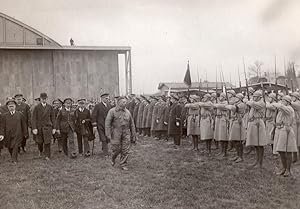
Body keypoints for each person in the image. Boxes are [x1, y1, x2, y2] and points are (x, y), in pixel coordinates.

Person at [105, 96, 136, 170]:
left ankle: (123, 164)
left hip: (126, 133)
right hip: (116, 132)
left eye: (125, 102)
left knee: (125, 149)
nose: (125, 103)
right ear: (118, 102)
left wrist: (133, 135)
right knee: (116, 149)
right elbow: (107, 123)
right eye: (123, 102)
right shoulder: (112, 111)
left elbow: (132, 124)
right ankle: (113, 159)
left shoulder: (128, 112)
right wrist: (108, 134)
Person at [273, 95, 298, 177]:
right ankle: (283, 168)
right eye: (281, 100)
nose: (282, 102)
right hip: (280, 129)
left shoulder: (289, 108)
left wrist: (279, 104)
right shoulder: (282, 109)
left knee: (288, 151)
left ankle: (288, 169)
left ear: (287, 102)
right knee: (281, 150)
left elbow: (282, 107)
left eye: (283, 101)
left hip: (287, 130)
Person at [0, 98, 28, 163]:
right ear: (7, 107)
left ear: (15, 106)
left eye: (12, 106)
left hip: (18, 134)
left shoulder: (20, 114)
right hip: (8, 134)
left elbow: (23, 124)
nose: (11, 108)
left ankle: (14, 159)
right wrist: (1, 134)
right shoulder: (4, 116)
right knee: (10, 147)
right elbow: (2, 126)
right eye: (10, 106)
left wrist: (25, 133)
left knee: (15, 145)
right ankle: (12, 156)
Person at [246, 91, 267, 168]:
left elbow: (253, 104)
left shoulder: (261, 103)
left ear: (259, 97)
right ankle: (257, 161)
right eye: (253, 96)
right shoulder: (254, 102)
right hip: (253, 122)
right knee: (255, 143)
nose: (253, 98)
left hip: (258, 123)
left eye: (255, 96)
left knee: (259, 144)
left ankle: (260, 163)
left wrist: (248, 101)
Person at [32, 93, 56, 160]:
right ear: (40, 99)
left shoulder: (50, 107)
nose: (44, 100)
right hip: (39, 127)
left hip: (48, 127)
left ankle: (47, 155)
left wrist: (54, 128)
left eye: (45, 98)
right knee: (40, 142)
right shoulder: (36, 107)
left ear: (46, 98)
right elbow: (33, 118)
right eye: (42, 99)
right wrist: (34, 128)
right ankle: (40, 150)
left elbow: (53, 118)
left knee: (47, 142)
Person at [214, 93, 230, 157]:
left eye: (221, 96)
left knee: (224, 136)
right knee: (219, 136)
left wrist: (216, 104)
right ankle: (221, 151)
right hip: (218, 119)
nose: (220, 97)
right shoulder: (219, 103)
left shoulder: (226, 103)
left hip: (223, 119)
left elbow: (221, 106)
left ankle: (224, 152)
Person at [290, 92, 300, 163]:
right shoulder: (294, 102)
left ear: (296, 97)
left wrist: (288, 100)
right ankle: (295, 157)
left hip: (298, 123)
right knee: (294, 140)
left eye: (293, 96)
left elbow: (294, 105)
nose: (292, 97)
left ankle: (297, 158)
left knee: (298, 141)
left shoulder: (298, 103)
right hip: (294, 123)